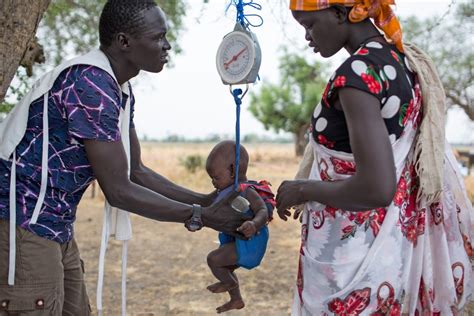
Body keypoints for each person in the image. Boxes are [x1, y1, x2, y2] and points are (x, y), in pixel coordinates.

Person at [0, 1, 246, 315]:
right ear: (124, 42)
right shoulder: (91, 84)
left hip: (53, 223)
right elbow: (118, 191)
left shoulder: (118, 88)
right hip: (24, 223)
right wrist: (201, 215)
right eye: (158, 37)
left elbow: (137, 172)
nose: (167, 45)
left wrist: (208, 200)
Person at [276, 0, 473, 315]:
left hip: (355, 262)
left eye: (309, 25)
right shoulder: (401, 63)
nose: (307, 37)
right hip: (390, 251)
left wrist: (302, 189)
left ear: (341, 13)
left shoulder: (358, 74)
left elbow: (376, 187)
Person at [204, 140, 274, 313]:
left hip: (251, 241)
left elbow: (262, 211)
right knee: (224, 266)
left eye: (216, 177)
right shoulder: (225, 190)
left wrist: (254, 223)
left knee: (213, 259)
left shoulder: (246, 190)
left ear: (233, 170)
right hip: (239, 241)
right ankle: (236, 299)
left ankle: (230, 283)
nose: (213, 182)